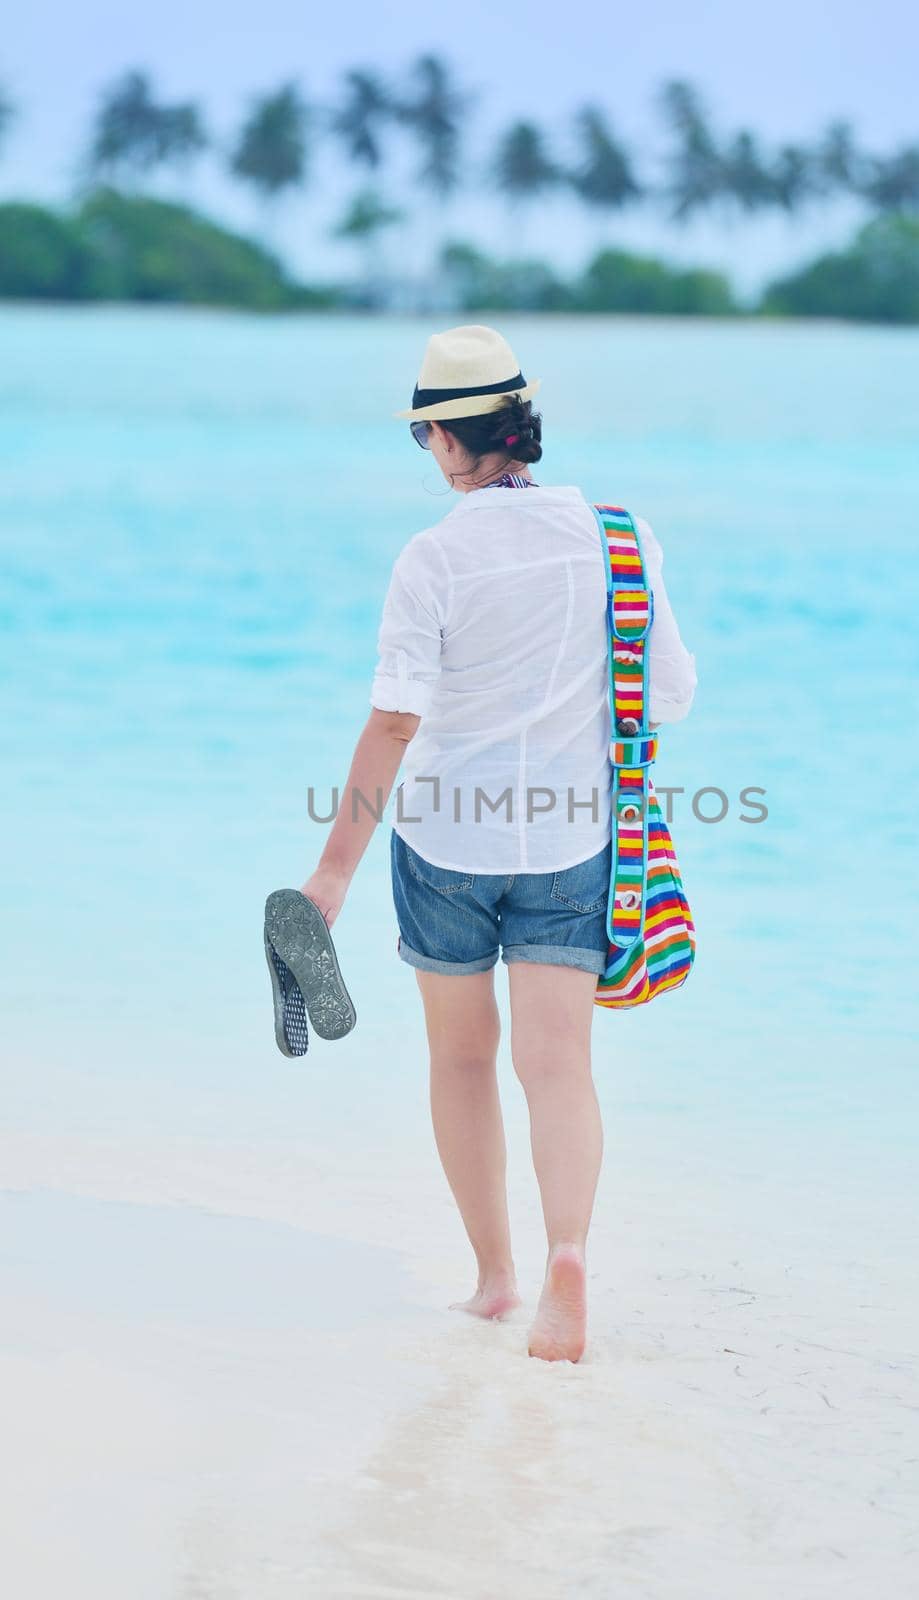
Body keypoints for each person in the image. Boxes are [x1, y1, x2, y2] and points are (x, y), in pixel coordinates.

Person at [301, 325, 697, 1362]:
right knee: (559, 1064)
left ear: (443, 438)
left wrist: (332, 870)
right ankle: (571, 1254)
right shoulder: (621, 536)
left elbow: (395, 719)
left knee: (463, 1056)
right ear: (522, 425)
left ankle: (495, 1281)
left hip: (444, 843)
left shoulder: (433, 557)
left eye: (425, 432)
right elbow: (671, 693)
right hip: (573, 839)